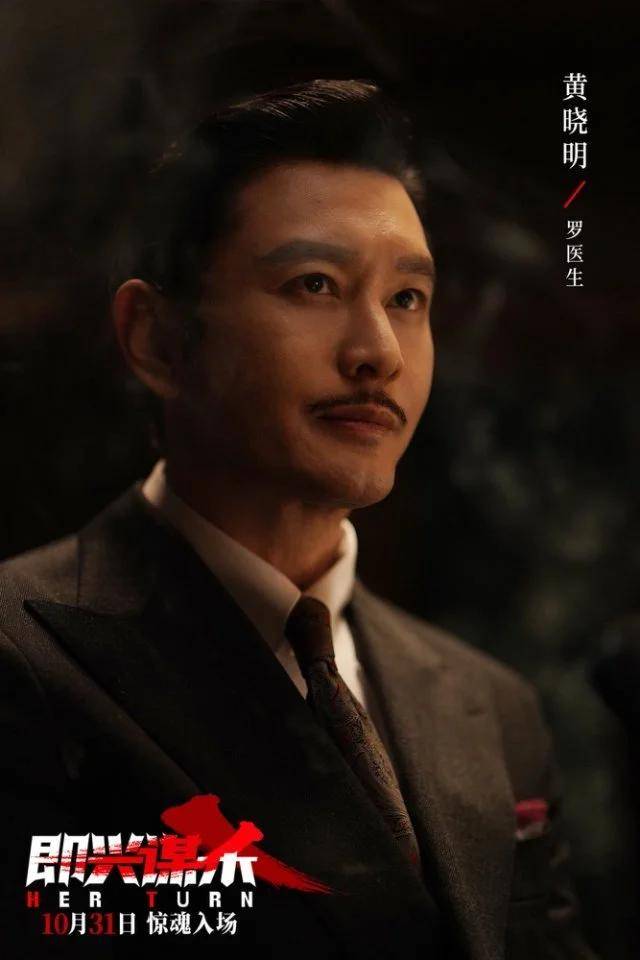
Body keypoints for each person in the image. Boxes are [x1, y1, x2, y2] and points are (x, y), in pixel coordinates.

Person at [0, 79, 596, 959]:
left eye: (407, 299)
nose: (378, 353)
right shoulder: (22, 658)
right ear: (157, 339)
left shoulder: (493, 708)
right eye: (314, 284)